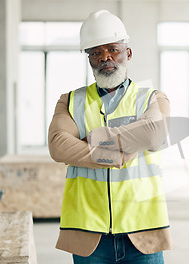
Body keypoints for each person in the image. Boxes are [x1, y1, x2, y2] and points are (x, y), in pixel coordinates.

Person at [48, 10, 171, 263]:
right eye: (95, 52)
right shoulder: (70, 101)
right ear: (89, 58)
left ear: (128, 53)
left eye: (113, 49)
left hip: (142, 231)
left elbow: (154, 134)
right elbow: (59, 147)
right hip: (88, 234)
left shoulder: (152, 98)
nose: (105, 57)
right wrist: (119, 151)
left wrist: (89, 140)